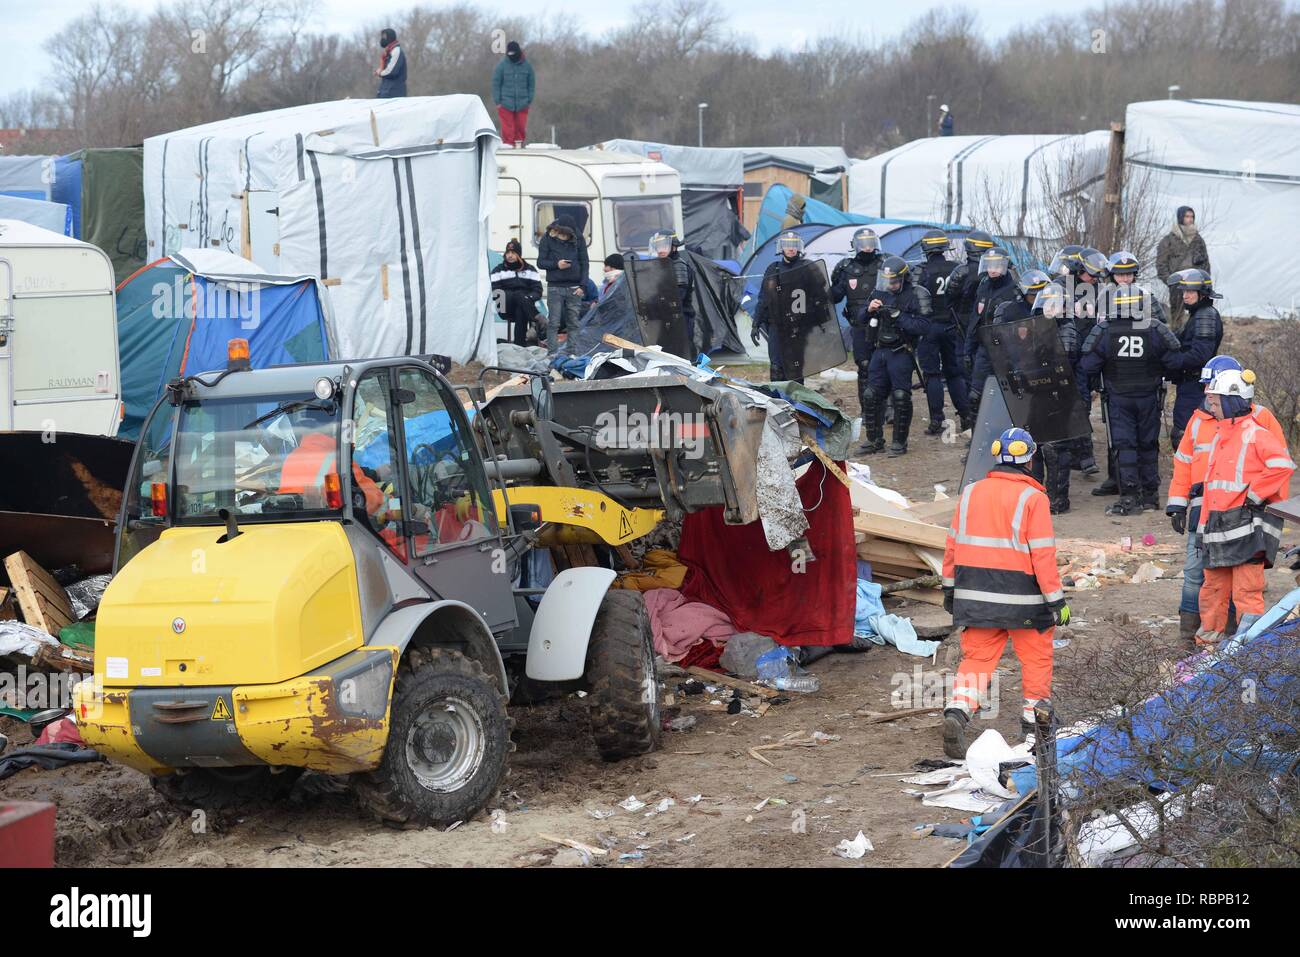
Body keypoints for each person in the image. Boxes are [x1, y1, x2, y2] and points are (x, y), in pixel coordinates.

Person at [941, 427, 1067, 757]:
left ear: (997, 457)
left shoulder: (970, 493)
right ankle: (1033, 727)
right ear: (1029, 460)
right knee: (1036, 660)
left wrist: (949, 588)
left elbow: (952, 544)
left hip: (975, 597)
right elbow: (1042, 553)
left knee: (977, 660)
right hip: (1024, 602)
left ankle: (957, 712)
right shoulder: (1033, 498)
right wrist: (1056, 600)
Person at [1166, 356, 1284, 641]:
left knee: (1243, 584)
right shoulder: (1201, 421)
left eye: (1212, 390)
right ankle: (1195, 636)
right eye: (1206, 389)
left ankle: (1237, 640)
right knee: (1202, 577)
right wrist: (1178, 503)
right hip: (1207, 511)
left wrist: (1262, 503)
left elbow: (1278, 467)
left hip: (1244, 518)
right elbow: (1184, 463)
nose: (1208, 398)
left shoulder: (1259, 421)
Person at [1194, 368, 1294, 645]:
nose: (1211, 408)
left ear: (1232, 401)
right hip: (1218, 527)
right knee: (1213, 588)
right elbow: (1214, 490)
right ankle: (1208, 648)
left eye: (1215, 402)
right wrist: (1202, 531)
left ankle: (1249, 650)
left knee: (1247, 592)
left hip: (1247, 528)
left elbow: (1282, 466)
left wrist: (1255, 495)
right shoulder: (1220, 435)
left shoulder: (1256, 434)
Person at [1078, 285, 1184, 515]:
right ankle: (1150, 496)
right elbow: (1175, 361)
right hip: (1148, 397)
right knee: (1148, 445)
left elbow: (1087, 365)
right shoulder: (1154, 328)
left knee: (1125, 446)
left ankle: (1129, 498)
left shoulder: (1105, 329)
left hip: (1119, 399)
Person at [861, 256, 932, 456]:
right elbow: (859, 319)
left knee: (901, 397)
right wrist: (869, 309)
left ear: (902, 278)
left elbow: (924, 326)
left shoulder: (916, 294)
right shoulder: (878, 293)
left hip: (901, 351)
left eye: (894, 281)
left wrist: (898, 316)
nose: (890, 285)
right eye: (887, 281)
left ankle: (899, 443)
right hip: (879, 350)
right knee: (871, 395)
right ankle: (874, 440)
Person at [915, 229, 973, 435]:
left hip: (929, 328)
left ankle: (937, 421)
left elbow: (914, 300)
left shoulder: (920, 271)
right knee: (955, 373)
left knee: (932, 375)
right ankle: (966, 415)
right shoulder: (957, 268)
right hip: (953, 326)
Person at [1030, 283, 1079, 513]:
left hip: (1060, 395)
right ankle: (1036, 493)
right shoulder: (1035, 330)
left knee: (1056, 449)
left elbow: (1063, 359)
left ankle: (1058, 498)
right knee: (1035, 446)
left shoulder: (1067, 328)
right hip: (1038, 394)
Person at [830, 227, 885, 431]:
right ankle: (867, 409)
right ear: (856, 245)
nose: (867, 247)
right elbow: (835, 296)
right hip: (859, 326)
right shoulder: (846, 268)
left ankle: (886, 408)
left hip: (882, 324)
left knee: (883, 366)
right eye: (863, 243)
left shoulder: (884, 264)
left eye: (871, 242)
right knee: (864, 367)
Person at [1164, 268, 1224, 447]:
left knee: (1184, 434)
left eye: (1190, 291)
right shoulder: (1198, 314)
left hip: (1196, 385)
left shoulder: (1205, 316)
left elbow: (1200, 354)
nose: (1185, 296)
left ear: (1202, 293)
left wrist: (1171, 361)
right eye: (1183, 291)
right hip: (1190, 383)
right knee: (1185, 433)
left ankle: (1193, 474)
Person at [964, 247, 1020, 417]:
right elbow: (975, 321)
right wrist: (968, 350)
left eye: (996, 265)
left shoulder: (1015, 291)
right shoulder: (983, 286)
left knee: (1009, 398)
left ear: (1005, 266)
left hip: (1007, 352)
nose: (992, 269)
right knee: (976, 396)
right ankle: (978, 440)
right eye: (989, 265)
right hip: (984, 349)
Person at [753, 231, 810, 382]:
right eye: (787, 246)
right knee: (776, 368)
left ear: (799, 248)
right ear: (781, 248)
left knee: (795, 369)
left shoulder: (807, 268)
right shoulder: (773, 269)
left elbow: (818, 299)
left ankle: (797, 404)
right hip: (776, 327)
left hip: (797, 327)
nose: (791, 249)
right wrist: (755, 324)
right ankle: (778, 404)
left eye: (794, 245)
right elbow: (764, 298)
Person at [536, 214, 588, 353]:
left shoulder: (579, 238)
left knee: (573, 324)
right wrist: (556, 265)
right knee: (553, 323)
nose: (564, 236)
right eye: (562, 233)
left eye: (567, 234)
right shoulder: (547, 238)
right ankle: (552, 354)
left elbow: (585, 262)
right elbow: (540, 262)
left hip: (575, 287)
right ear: (557, 229)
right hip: (555, 286)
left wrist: (583, 286)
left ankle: (572, 354)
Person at [1156, 206, 1212, 330]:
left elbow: (1205, 263)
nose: (1190, 219)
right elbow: (1161, 264)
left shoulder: (1198, 240)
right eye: (1187, 216)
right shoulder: (1169, 240)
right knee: (1177, 317)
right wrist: (1171, 281)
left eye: (1192, 216)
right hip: (1178, 284)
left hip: (1196, 284)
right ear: (1180, 217)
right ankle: (1177, 342)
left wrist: (1205, 283)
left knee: (1198, 315)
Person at [490, 240, 543, 345]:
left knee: (521, 309)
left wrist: (528, 298)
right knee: (519, 295)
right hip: (504, 306)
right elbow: (495, 291)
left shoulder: (530, 270)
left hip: (524, 306)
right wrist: (517, 296)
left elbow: (538, 290)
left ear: (519, 255)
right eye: (508, 253)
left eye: (513, 253)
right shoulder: (498, 270)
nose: (510, 256)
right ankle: (537, 319)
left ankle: (520, 344)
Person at [650, 230, 697, 350]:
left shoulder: (678, 266)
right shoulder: (663, 266)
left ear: (674, 247)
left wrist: (656, 305)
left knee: (682, 356)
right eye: (658, 246)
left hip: (680, 320)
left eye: (664, 246)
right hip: (666, 319)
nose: (660, 250)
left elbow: (676, 297)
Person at [492, 40, 535, 148]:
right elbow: (496, 83)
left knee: (520, 128)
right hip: (505, 103)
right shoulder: (501, 66)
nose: (511, 56)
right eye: (509, 54)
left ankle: (519, 147)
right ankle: (508, 148)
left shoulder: (527, 67)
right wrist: (498, 101)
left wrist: (529, 100)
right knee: (508, 129)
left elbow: (531, 84)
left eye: (513, 54)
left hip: (523, 103)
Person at [374, 28, 407, 99]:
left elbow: (391, 72)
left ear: (390, 37)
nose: (382, 39)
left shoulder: (396, 51)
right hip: (385, 92)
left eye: (384, 37)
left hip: (394, 94)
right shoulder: (387, 53)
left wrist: (380, 73)